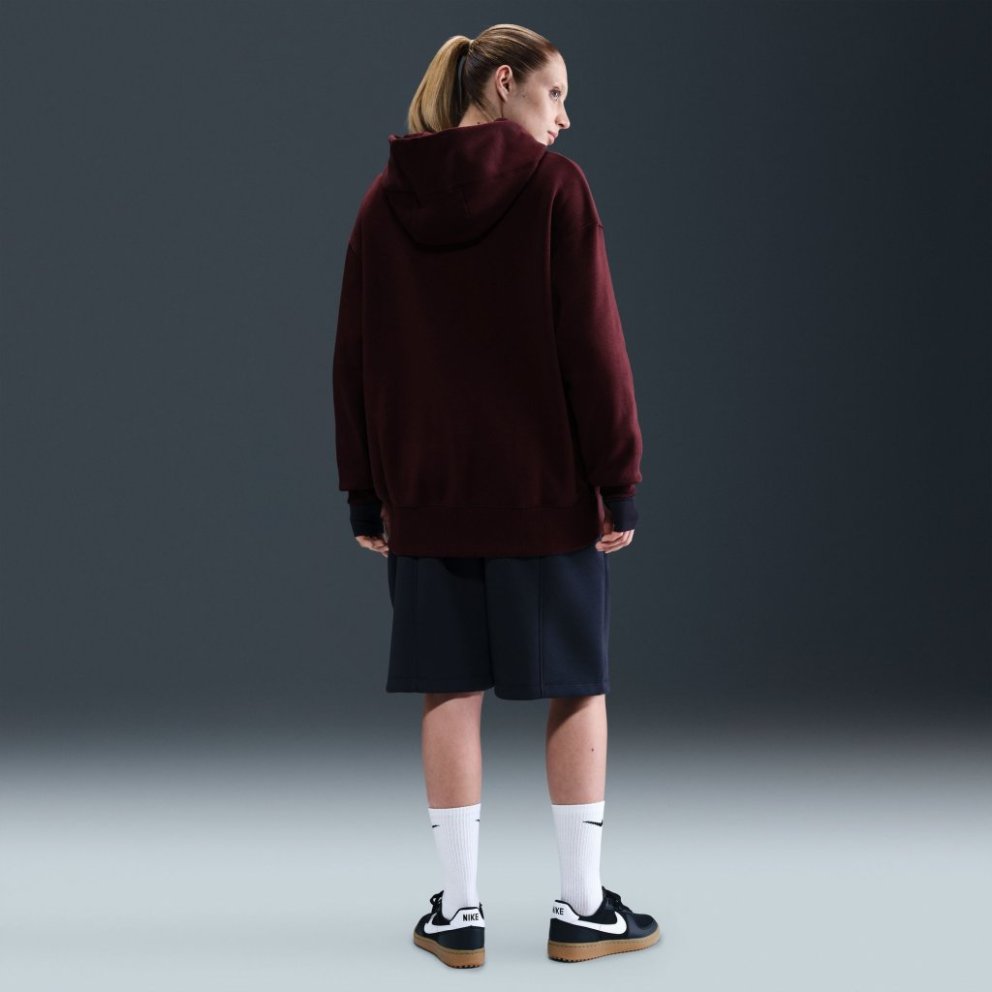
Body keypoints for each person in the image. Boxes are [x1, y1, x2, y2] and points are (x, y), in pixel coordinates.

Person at [332, 23, 659, 968]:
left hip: (428, 496)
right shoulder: (557, 189)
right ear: (506, 83)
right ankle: (583, 908)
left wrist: (366, 491)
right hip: (545, 491)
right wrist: (618, 479)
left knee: (449, 688)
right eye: (555, 95)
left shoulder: (384, 200)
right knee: (577, 686)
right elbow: (594, 344)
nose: (565, 118)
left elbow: (355, 357)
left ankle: (460, 913)